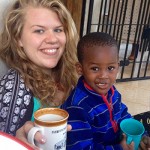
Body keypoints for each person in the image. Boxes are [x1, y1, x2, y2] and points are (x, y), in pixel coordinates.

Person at [0, 0, 78, 148]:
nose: (53, 39)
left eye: (58, 30)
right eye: (39, 31)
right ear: (18, 40)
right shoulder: (14, 88)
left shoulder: (70, 75)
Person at [61, 32, 150, 150]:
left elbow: (122, 114)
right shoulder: (78, 107)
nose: (104, 76)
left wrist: (141, 137)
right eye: (95, 68)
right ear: (80, 69)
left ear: (118, 66)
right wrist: (119, 148)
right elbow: (81, 148)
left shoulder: (113, 92)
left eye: (110, 68)